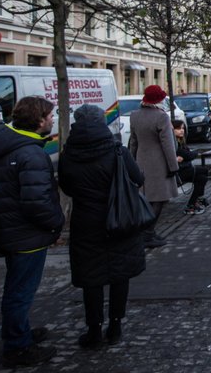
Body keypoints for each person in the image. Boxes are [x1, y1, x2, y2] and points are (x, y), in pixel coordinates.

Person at [0, 96, 64, 367]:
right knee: (20, 292)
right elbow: (37, 202)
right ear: (38, 119)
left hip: (11, 229)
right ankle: (17, 346)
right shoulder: (30, 153)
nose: (53, 119)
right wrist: (55, 223)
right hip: (26, 234)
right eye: (50, 116)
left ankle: (19, 332)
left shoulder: (9, 143)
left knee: (16, 288)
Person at [59, 104, 145, 349]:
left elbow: (66, 188)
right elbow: (138, 179)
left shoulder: (68, 154)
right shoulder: (117, 150)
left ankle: (94, 330)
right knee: (120, 273)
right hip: (120, 218)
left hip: (85, 222)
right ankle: (115, 325)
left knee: (91, 277)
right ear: (101, 122)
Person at [129, 85, 179, 248]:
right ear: (158, 99)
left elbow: (133, 142)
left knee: (147, 198)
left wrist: (132, 164)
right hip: (159, 163)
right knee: (159, 199)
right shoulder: (161, 117)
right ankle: (148, 234)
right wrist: (173, 166)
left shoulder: (135, 115)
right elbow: (168, 144)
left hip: (141, 161)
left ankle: (147, 233)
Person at [173, 120, 209, 215]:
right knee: (204, 170)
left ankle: (192, 203)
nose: (181, 130)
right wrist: (192, 153)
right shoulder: (174, 143)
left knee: (202, 178)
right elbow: (189, 155)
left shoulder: (181, 141)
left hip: (185, 169)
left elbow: (188, 154)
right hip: (178, 173)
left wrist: (190, 154)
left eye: (182, 128)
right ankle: (197, 199)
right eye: (178, 128)